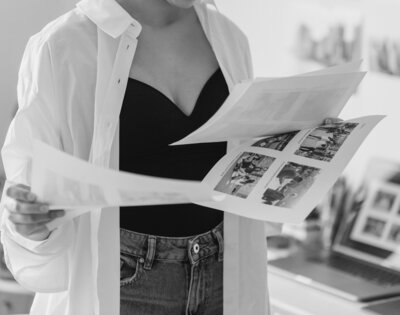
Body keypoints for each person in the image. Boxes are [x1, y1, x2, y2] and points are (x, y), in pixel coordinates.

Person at [0, 1, 340, 314]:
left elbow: (241, 172)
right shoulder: (62, 47)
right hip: (122, 287)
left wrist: (306, 151)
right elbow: (28, 191)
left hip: (225, 275)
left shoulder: (229, 39)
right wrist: (27, 220)